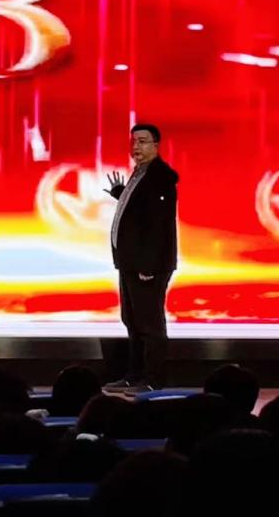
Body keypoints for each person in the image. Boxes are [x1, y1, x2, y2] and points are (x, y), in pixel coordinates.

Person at [103, 123, 179, 393]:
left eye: (143, 141)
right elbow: (140, 211)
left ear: (156, 146)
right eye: (134, 141)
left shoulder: (160, 177)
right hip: (131, 262)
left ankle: (153, 380)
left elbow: (158, 225)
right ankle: (134, 376)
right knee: (133, 321)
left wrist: (149, 265)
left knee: (149, 324)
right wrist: (120, 194)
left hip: (147, 266)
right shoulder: (141, 173)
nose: (136, 146)